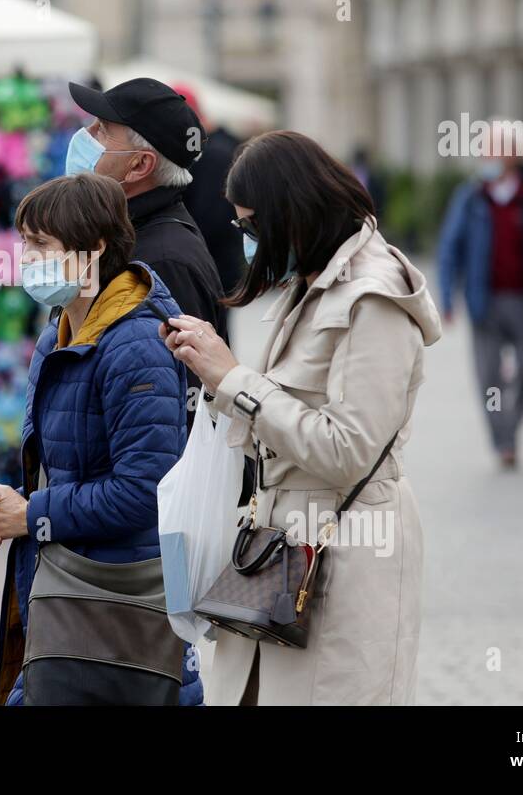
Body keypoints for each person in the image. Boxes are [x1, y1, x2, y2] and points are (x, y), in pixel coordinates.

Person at [160, 130, 440, 705]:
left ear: (295, 213)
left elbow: (347, 449)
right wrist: (216, 377)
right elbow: (274, 413)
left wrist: (234, 379)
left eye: (253, 227)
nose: (249, 241)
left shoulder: (373, 298)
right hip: (279, 544)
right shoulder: (313, 280)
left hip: (349, 546)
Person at [0, 173, 200, 706]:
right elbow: (61, 464)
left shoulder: (137, 344)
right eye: (24, 242)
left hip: (121, 606)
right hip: (67, 595)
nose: (26, 257)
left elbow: (145, 490)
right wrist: (8, 508)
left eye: (41, 245)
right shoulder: (59, 332)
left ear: (92, 250)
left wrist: (33, 514)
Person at [65, 77, 228, 407]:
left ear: (139, 164)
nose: (86, 135)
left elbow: (182, 407)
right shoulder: (121, 233)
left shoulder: (165, 259)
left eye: (103, 129)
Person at [437, 118, 523, 468]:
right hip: (485, 301)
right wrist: (447, 299)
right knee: (490, 378)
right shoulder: (471, 198)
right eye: (485, 149)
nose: (486, 155)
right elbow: (449, 249)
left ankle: (508, 430)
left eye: (494, 148)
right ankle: (504, 441)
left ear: (514, 155)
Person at [177, 84, 248, 296]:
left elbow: (211, 217)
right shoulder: (213, 147)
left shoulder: (214, 153)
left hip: (214, 264)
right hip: (214, 261)